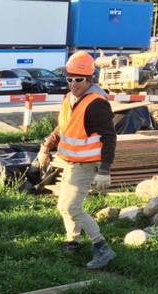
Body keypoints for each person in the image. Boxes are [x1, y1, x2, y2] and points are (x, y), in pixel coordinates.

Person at [37, 51, 117, 270]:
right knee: (65, 206)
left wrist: (105, 170)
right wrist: (46, 146)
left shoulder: (96, 104)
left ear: (90, 79)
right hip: (71, 161)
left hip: (87, 163)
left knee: (70, 207)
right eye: (69, 79)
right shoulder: (71, 98)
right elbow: (62, 128)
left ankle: (102, 247)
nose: (73, 84)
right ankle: (72, 242)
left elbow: (109, 137)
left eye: (79, 79)